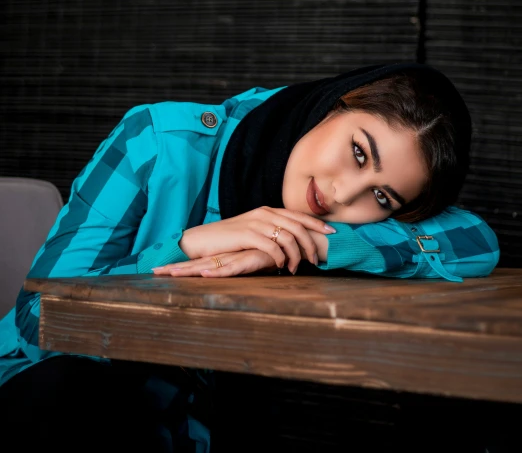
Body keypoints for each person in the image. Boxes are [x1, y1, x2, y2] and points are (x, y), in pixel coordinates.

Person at [0, 61, 500, 452]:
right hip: (46, 399)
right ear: (330, 105)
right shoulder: (157, 143)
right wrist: (188, 246)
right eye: (359, 153)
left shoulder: (337, 221)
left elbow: (477, 241)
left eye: (383, 197)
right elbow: (38, 318)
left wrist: (323, 239)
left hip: (188, 424)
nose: (345, 193)